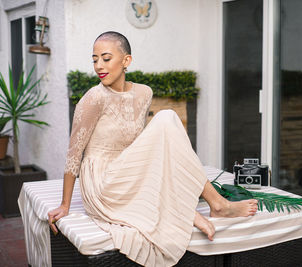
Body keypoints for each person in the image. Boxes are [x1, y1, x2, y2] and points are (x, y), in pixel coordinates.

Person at [48, 31, 258, 267]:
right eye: (94, 59)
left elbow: (143, 143)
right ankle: (205, 207)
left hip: (127, 168)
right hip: (103, 182)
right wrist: (65, 205)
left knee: (167, 119)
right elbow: (74, 153)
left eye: (106, 58)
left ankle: (212, 205)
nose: (99, 66)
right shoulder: (93, 97)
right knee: (167, 118)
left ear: (126, 61)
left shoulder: (144, 93)